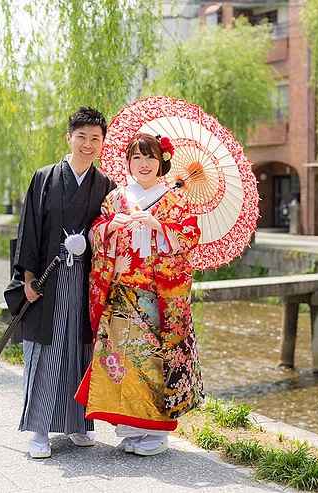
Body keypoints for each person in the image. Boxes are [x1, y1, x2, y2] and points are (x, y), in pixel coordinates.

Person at [75, 133, 204, 456]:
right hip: (121, 293)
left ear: (162, 161)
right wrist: (110, 227)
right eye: (137, 158)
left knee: (154, 363)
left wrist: (159, 225)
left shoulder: (175, 199)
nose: (143, 164)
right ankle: (131, 429)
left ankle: (156, 435)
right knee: (123, 362)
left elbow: (189, 237)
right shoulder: (116, 198)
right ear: (128, 163)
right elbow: (95, 232)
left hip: (156, 296)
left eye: (150, 157)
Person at [12, 106, 114, 459]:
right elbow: (29, 230)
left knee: (79, 349)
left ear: (102, 144)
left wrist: (91, 240)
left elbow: (111, 234)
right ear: (68, 137)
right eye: (81, 137)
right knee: (46, 350)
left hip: (87, 280)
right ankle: (39, 429)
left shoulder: (106, 186)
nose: (88, 144)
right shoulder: (44, 178)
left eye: (95, 139)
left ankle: (78, 424)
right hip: (48, 278)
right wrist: (28, 278)